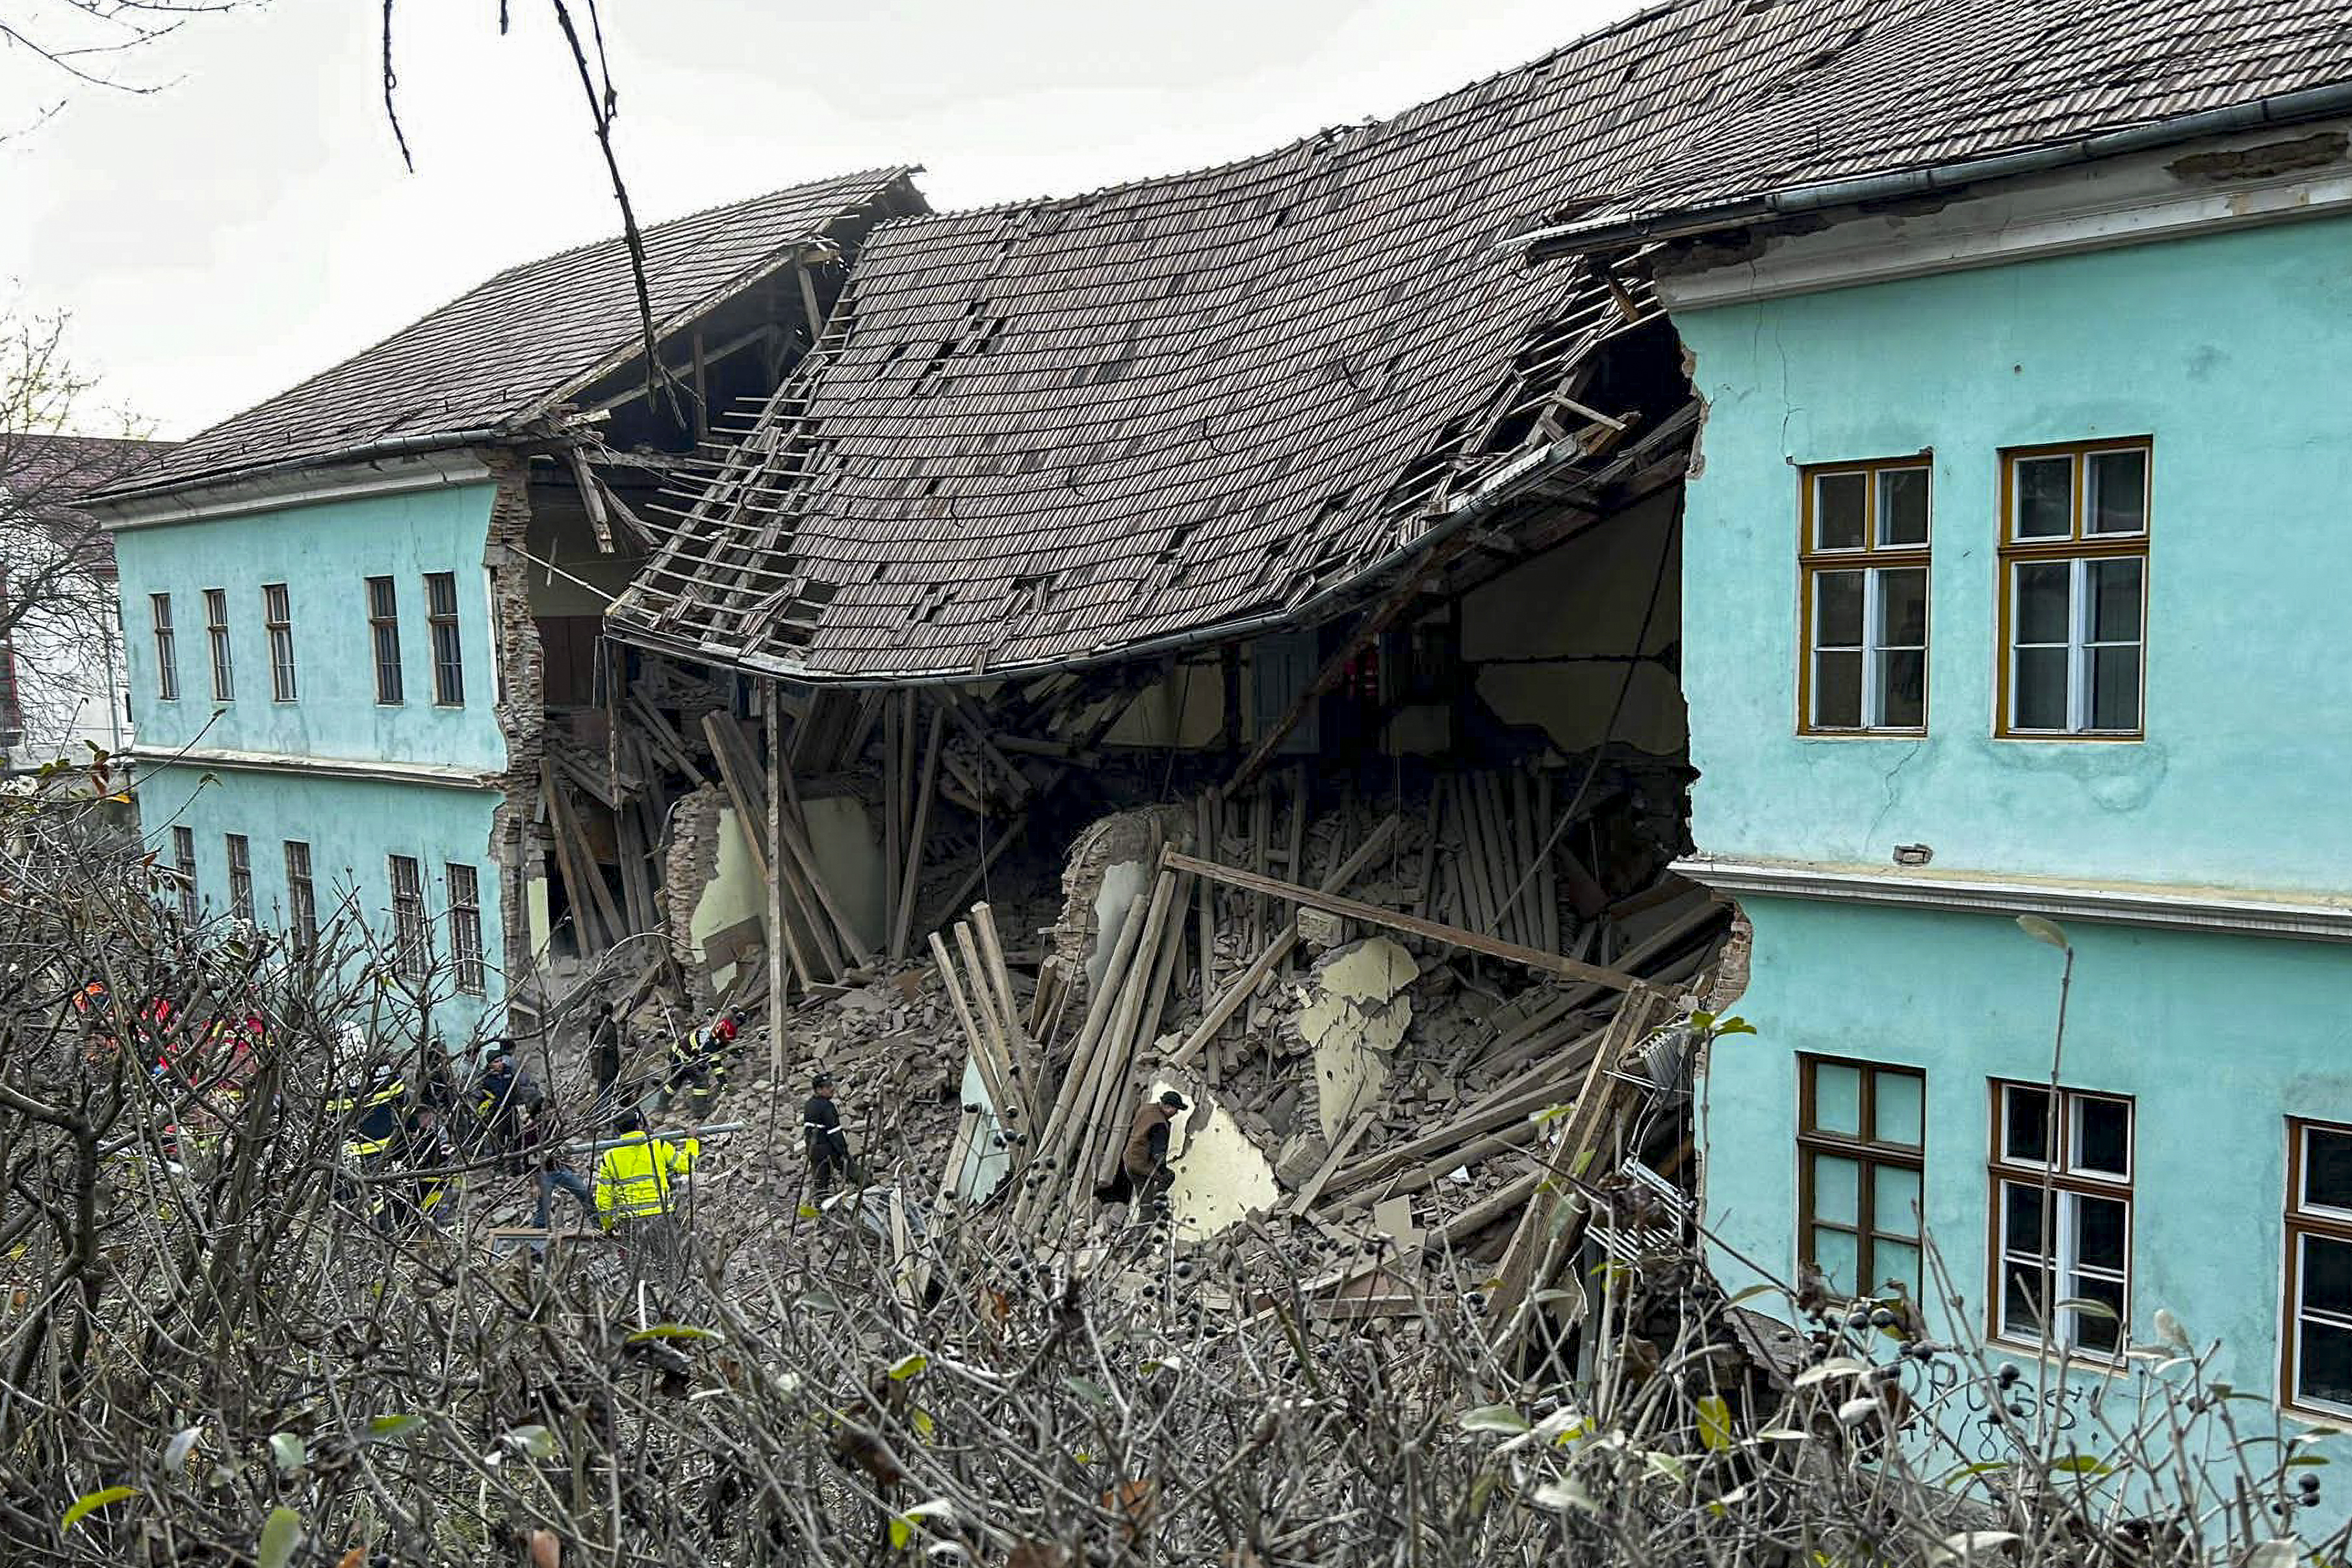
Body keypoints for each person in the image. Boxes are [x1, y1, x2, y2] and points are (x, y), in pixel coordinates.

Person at [594, 1111, 699, 1276]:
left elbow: (603, 1201)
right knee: (672, 1267)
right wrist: (692, 1141)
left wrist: (608, 1226)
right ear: (640, 1124)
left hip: (630, 1221)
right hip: (661, 1216)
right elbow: (687, 1165)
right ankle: (674, 1298)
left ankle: (645, 1300)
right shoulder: (658, 1146)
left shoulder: (610, 1157)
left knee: (639, 1272)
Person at [1094, 1090, 1185, 1218]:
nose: (1176, 1113)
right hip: (1139, 1165)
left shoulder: (1147, 1108)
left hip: (1129, 1157)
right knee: (1167, 1178)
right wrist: (1163, 1171)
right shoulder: (1159, 1125)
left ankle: (1150, 1204)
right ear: (1168, 1107)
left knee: (1133, 1194)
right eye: (1176, 1110)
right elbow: (1158, 1155)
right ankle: (1143, 1225)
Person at [521, 1099, 595, 1236]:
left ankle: (600, 1227)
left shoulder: (554, 1126)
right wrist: (534, 1185)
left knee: (585, 1194)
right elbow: (528, 1161)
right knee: (544, 1209)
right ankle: (535, 1248)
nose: (550, 1113)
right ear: (538, 1113)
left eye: (551, 1110)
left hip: (560, 1169)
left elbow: (563, 1148)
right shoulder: (530, 1132)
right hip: (543, 1174)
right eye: (547, 1110)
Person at [802, 1072, 859, 1199]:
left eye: (831, 1085)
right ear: (819, 1090)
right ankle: (867, 1188)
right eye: (828, 1087)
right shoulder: (827, 1106)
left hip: (813, 1149)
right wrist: (844, 1153)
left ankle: (820, 1206)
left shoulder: (809, 1104)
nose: (832, 1088)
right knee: (849, 1168)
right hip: (827, 1148)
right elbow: (835, 1134)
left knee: (820, 1180)